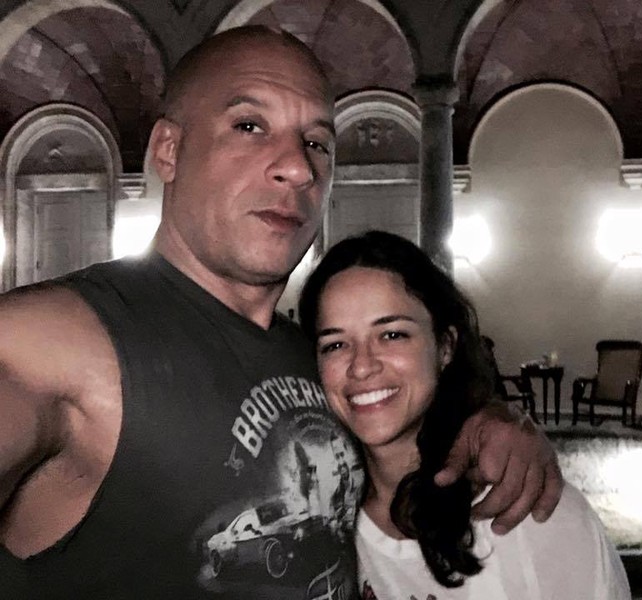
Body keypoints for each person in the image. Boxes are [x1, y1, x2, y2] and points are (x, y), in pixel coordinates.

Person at [0, 26, 563, 599]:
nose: (298, 168)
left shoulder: (320, 357)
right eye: (249, 126)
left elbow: (401, 442)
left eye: (316, 143)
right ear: (169, 150)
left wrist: (488, 421)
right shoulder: (59, 339)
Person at [299, 230, 631, 600]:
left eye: (392, 335)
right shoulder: (317, 521)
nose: (361, 366)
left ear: (445, 346)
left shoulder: (529, 514)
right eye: (336, 344)